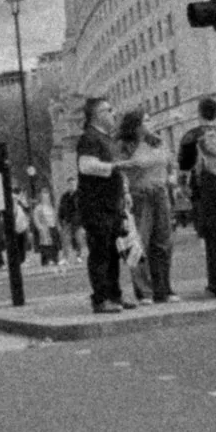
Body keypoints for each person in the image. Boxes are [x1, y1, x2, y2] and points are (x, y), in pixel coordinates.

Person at [75, 95, 131, 313]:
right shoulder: (89, 138)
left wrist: (124, 190)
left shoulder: (107, 139)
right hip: (96, 204)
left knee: (113, 251)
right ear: (96, 116)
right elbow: (85, 165)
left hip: (112, 202)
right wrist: (114, 167)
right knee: (100, 252)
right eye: (108, 110)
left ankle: (114, 295)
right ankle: (100, 299)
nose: (113, 113)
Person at [117, 111, 176, 303]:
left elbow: (169, 163)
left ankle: (164, 288)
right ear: (136, 125)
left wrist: (171, 179)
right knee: (139, 242)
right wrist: (125, 192)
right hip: (139, 194)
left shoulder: (157, 141)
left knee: (163, 241)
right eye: (146, 120)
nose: (150, 123)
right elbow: (120, 170)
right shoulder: (125, 146)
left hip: (160, 191)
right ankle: (144, 291)